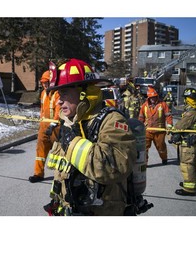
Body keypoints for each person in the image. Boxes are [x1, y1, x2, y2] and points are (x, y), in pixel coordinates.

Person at [43, 58, 137, 216]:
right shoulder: (69, 122)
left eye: (64, 93)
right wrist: (57, 201)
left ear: (83, 92)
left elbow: (112, 168)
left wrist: (70, 141)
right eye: (58, 94)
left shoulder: (112, 120)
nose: (59, 101)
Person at [170, 88, 196, 196]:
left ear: (187, 99)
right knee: (189, 164)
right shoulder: (195, 110)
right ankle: (189, 183)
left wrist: (173, 130)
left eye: (186, 98)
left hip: (188, 143)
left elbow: (180, 125)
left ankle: (189, 189)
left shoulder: (191, 112)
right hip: (188, 142)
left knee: (187, 165)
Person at [29, 70, 60, 183]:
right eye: (43, 82)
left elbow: (59, 111)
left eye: (46, 82)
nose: (44, 84)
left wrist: (53, 124)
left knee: (58, 152)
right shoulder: (43, 93)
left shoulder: (58, 93)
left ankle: (59, 176)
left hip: (55, 128)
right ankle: (38, 174)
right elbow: (43, 110)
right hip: (43, 126)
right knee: (40, 152)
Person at [138, 87, 173, 165]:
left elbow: (168, 116)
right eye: (151, 98)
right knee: (144, 148)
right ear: (149, 98)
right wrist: (139, 127)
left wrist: (169, 125)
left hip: (159, 131)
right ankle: (144, 162)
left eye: (154, 97)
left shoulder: (163, 104)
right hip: (147, 130)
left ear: (156, 97)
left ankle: (164, 158)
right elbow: (141, 117)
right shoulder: (144, 106)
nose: (153, 99)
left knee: (161, 147)